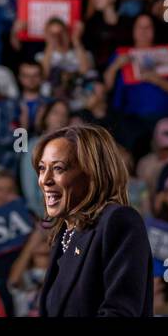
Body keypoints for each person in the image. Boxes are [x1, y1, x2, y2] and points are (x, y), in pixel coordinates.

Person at [34, 123, 152, 316]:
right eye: (41, 168)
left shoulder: (119, 221)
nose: (45, 180)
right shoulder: (63, 235)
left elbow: (120, 312)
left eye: (58, 168)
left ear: (91, 173)